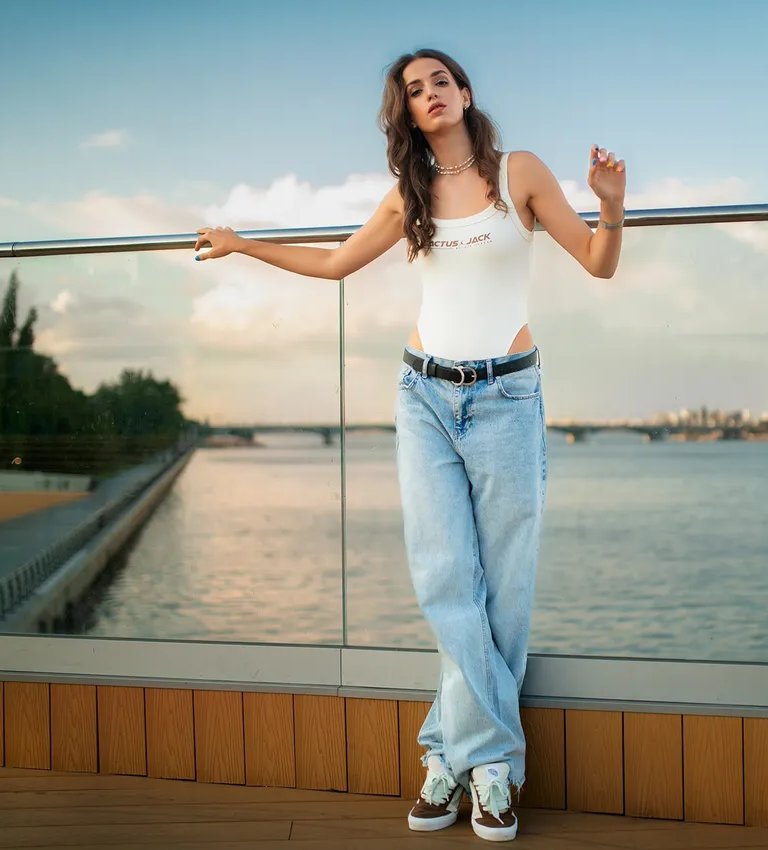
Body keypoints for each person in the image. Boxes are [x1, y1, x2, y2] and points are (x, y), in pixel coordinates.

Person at [194, 47, 625, 842]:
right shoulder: (410, 193)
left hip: (508, 394)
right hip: (424, 395)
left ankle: (453, 758)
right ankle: (492, 764)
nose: (428, 95)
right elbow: (332, 266)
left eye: (439, 82)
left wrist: (611, 202)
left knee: (504, 586)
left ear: (464, 92)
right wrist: (243, 244)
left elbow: (598, 264)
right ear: (408, 112)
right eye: (412, 90)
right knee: (442, 578)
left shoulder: (519, 172)